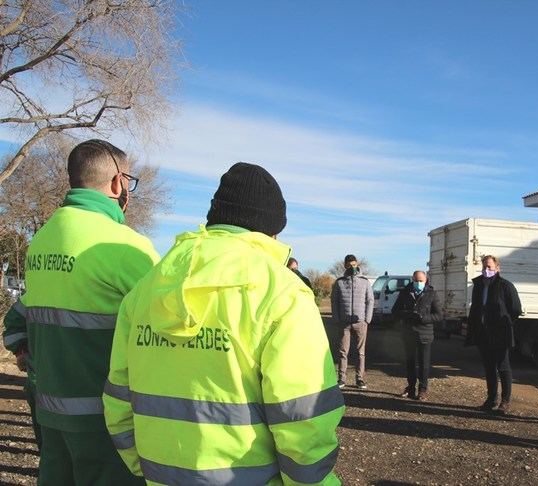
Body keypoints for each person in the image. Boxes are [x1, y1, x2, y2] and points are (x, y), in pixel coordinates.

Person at [103, 162, 344, 484]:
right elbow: (303, 418)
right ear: (273, 230)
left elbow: (119, 398)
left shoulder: (147, 287)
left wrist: (144, 467)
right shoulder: (282, 292)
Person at [2, 139, 158, 485]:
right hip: (105, 421)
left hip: (50, 412)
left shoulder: (43, 238)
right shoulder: (125, 245)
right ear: (118, 183)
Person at [465, 255, 522, 414]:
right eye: (484, 267)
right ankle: (491, 399)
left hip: (500, 332)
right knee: (489, 367)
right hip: (483, 332)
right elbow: (476, 307)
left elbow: (515, 309)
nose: (486, 270)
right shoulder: (478, 285)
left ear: (497, 268)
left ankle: (505, 401)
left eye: (489, 267)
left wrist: (503, 322)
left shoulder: (505, 286)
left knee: (503, 367)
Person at [391, 270, 443, 401]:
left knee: (424, 363)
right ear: (412, 280)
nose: (418, 283)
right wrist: (407, 314)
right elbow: (395, 311)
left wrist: (423, 318)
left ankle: (423, 389)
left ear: (426, 281)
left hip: (425, 334)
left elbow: (439, 315)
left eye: (421, 281)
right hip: (409, 333)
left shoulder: (432, 294)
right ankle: (410, 387)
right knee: (410, 362)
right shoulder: (405, 293)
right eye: (416, 280)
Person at [331, 254, 374, 389]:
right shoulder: (339, 282)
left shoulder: (365, 282)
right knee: (343, 351)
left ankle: (360, 379)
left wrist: (367, 319)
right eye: (349, 265)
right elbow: (334, 301)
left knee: (360, 352)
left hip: (360, 322)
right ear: (345, 266)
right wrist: (337, 318)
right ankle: (341, 378)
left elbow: (370, 300)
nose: (352, 267)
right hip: (344, 323)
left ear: (357, 265)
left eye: (354, 265)